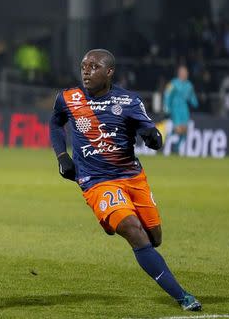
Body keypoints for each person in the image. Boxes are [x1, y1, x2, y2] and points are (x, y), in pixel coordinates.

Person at [49, 49, 202, 311]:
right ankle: (183, 296)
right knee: (134, 231)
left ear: (109, 72)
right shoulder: (68, 98)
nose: (86, 71)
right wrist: (63, 155)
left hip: (133, 177)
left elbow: (148, 130)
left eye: (94, 66)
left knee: (154, 238)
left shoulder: (128, 100)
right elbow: (55, 122)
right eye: (84, 66)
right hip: (97, 181)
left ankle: (126, 231)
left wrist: (153, 137)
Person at [163, 65, 198, 153]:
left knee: (185, 131)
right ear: (179, 73)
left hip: (184, 110)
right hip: (175, 109)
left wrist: (195, 102)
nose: (185, 74)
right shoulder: (173, 83)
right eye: (183, 72)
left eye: (186, 72)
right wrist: (166, 106)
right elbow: (167, 94)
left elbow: (192, 96)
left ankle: (177, 148)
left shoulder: (189, 85)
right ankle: (168, 143)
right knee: (178, 129)